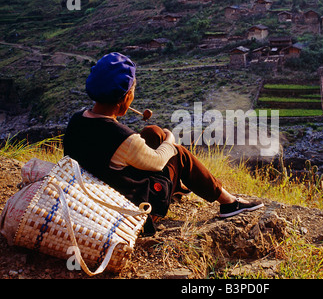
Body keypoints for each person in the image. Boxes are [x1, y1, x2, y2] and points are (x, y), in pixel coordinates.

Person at [63, 52, 264, 235]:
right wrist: (170, 139)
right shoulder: (122, 138)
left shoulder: (77, 119)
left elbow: (108, 142)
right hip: (132, 207)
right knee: (178, 152)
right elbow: (158, 162)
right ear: (125, 96)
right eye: (132, 91)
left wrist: (157, 135)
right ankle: (229, 203)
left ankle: (177, 186)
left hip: (98, 194)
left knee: (152, 132)